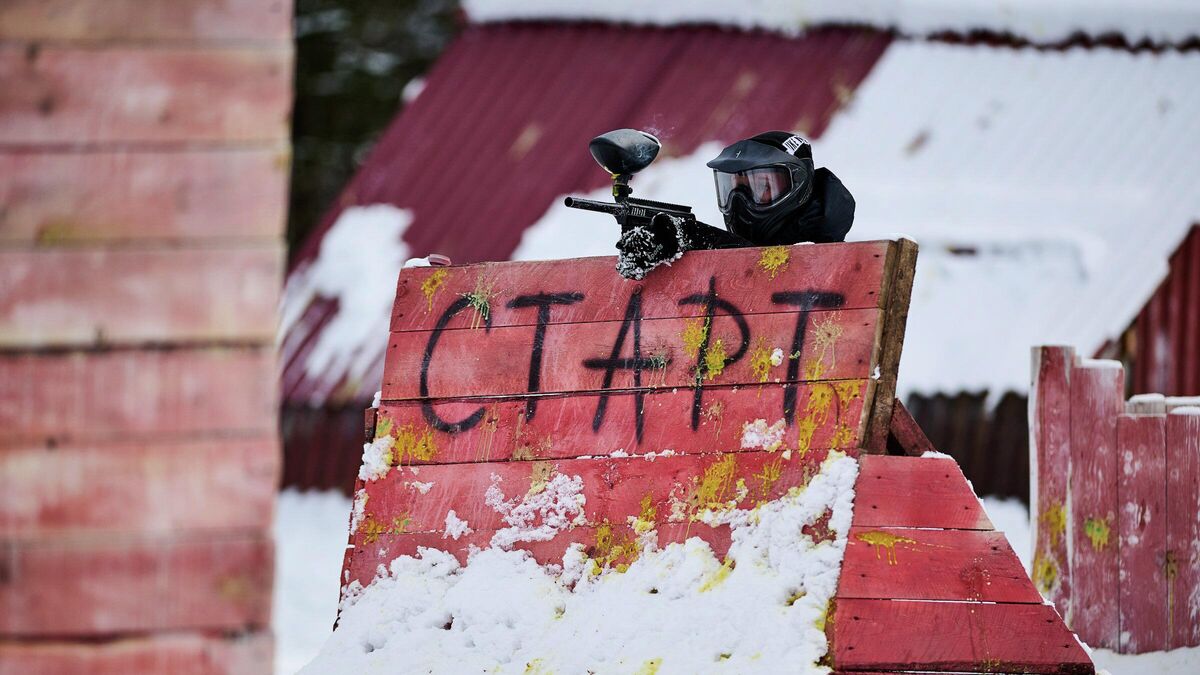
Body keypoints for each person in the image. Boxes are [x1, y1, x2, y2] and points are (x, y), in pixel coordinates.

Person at [614, 131, 854, 279]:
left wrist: (690, 237)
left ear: (798, 187)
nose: (740, 203)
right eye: (732, 189)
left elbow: (779, 274)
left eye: (761, 188)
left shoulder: (829, 263)